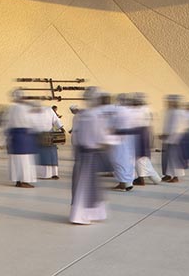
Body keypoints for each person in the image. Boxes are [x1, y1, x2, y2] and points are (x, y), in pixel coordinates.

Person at [70, 89, 118, 224]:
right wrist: (112, 140)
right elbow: (100, 135)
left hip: (82, 154)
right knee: (86, 187)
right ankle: (82, 216)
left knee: (84, 186)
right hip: (90, 154)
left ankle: (90, 214)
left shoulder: (83, 115)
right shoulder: (94, 116)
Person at [5, 90, 38, 187]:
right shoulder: (25, 108)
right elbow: (32, 121)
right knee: (25, 160)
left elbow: (6, 123)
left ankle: (18, 181)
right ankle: (24, 181)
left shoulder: (11, 108)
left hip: (14, 137)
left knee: (16, 160)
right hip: (24, 137)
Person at [131, 94, 161, 186]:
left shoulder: (139, 110)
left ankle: (142, 179)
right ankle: (151, 178)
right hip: (144, 134)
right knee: (141, 158)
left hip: (139, 135)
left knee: (139, 158)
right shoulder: (147, 109)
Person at [110, 94, 138, 191]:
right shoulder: (131, 111)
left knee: (118, 160)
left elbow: (112, 124)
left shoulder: (118, 111)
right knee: (128, 160)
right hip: (130, 138)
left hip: (119, 138)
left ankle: (123, 183)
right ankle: (127, 182)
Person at [160, 95, 186, 183]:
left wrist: (167, 135)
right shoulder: (170, 111)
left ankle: (176, 176)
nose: (168, 103)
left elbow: (176, 127)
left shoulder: (178, 112)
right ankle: (168, 174)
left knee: (175, 158)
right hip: (169, 138)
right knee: (168, 158)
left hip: (175, 138)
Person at [36, 103, 64, 179]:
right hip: (49, 135)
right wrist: (61, 128)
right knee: (52, 154)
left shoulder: (38, 111)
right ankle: (54, 173)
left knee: (45, 155)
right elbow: (56, 120)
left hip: (42, 136)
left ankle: (46, 174)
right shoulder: (49, 110)